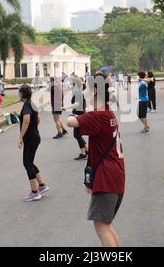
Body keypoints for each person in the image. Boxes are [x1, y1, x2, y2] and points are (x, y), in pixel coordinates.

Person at [67, 73, 125, 247]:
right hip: (114, 175)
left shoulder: (98, 115)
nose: (84, 91)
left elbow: (71, 122)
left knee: (101, 227)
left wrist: (74, 112)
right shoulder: (108, 112)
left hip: (106, 177)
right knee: (104, 225)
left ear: (94, 92)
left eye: (86, 87)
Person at [17, 85, 50, 202]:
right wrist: (34, 129)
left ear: (22, 94)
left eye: (19, 92)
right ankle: (42, 185)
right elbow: (38, 119)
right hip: (35, 136)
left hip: (31, 138)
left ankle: (35, 192)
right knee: (30, 162)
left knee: (27, 163)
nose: (18, 94)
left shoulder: (26, 105)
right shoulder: (32, 104)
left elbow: (26, 120)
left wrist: (20, 137)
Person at [63, 80, 88, 160]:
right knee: (78, 134)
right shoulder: (80, 92)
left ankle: (83, 153)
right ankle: (86, 150)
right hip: (80, 114)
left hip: (79, 115)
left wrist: (66, 108)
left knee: (77, 135)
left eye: (72, 85)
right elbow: (85, 104)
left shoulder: (77, 93)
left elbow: (77, 104)